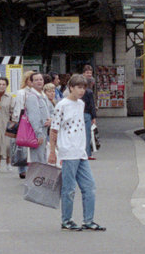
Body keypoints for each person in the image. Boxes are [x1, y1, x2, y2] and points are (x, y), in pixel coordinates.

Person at [48, 73, 102, 231]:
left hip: (80, 151)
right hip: (68, 150)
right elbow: (54, 129)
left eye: (84, 88)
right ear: (70, 87)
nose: (81, 91)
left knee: (89, 186)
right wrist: (53, 151)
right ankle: (67, 220)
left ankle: (88, 220)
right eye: (78, 87)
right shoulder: (62, 105)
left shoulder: (80, 104)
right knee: (69, 188)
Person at [17, 71, 53, 180]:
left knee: (42, 156)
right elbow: (34, 118)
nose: (39, 82)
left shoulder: (43, 95)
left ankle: (40, 179)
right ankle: (38, 181)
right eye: (36, 80)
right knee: (37, 158)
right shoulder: (32, 97)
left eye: (41, 79)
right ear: (31, 83)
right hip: (38, 132)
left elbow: (52, 111)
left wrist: (51, 119)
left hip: (44, 131)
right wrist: (38, 134)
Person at [82, 64, 97, 159]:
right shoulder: (89, 91)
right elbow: (91, 105)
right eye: (87, 72)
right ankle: (87, 153)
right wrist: (94, 117)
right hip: (86, 114)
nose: (89, 74)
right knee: (87, 134)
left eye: (90, 73)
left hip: (81, 113)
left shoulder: (79, 89)